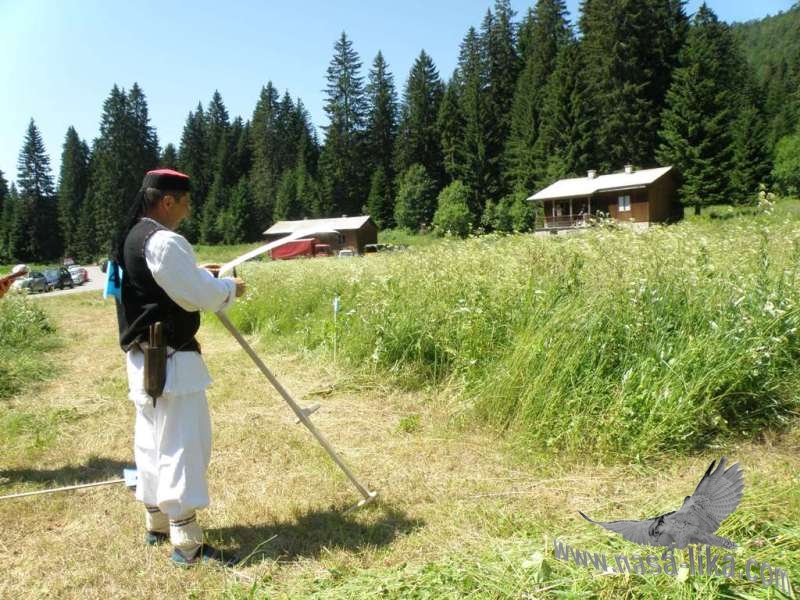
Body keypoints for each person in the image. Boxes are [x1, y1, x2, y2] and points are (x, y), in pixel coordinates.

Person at [114, 168, 244, 566]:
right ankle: (187, 544)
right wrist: (229, 288)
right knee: (183, 445)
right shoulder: (163, 241)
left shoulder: (131, 236)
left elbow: (166, 284)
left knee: (152, 441)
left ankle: (156, 522)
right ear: (167, 201)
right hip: (170, 360)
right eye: (185, 203)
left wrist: (197, 274)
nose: (187, 212)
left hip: (144, 356)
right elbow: (198, 296)